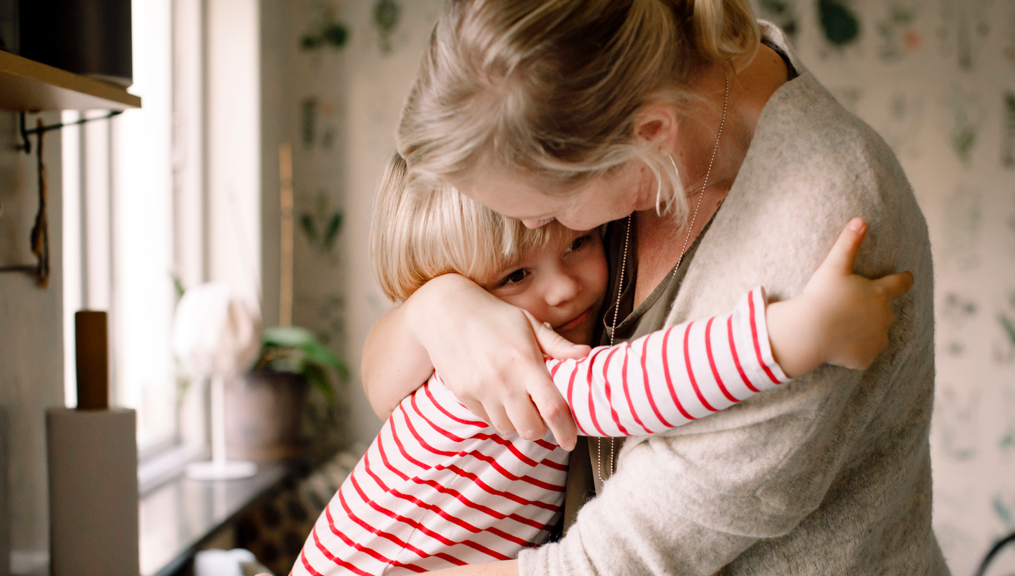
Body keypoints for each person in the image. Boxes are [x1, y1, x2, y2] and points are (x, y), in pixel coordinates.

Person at [364, 1, 948, 574]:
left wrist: (795, 333)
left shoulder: (819, 222)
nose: (541, 230)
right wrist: (441, 310)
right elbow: (383, 383)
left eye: (549, 213)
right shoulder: (630, 118)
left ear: (649, 136)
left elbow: (615, 562)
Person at [294, 153, 910, 576]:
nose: (564, 289)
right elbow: (640, 383)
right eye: (515, 276)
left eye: (578, 244)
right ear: (457, 291)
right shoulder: (503, 367)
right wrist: (799, 332)